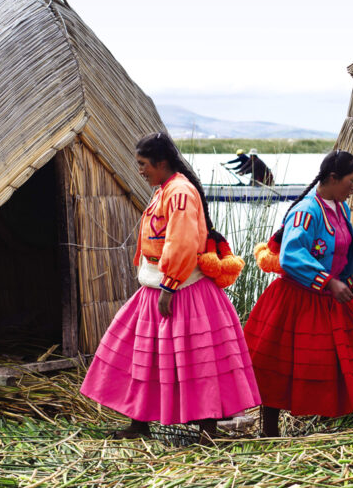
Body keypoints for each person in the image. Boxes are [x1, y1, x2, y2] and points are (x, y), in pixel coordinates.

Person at [80, 132, 261, 443]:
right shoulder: (165, 189)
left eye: (143, 164)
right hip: (157, 286)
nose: (139, 170)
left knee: (194, 358)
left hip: (181, 290)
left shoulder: (179, 193)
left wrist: (170, 286)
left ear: (161, 162)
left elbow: (182, 243)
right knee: (145, 355)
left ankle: (208, 430)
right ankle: (139, 423)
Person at [243, 150, 353, 437]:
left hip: (332, 298)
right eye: (351, 180)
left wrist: (343, 279)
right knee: (278, 360)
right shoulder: (306, 212)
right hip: (297, 298)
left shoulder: (341, 208)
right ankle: (269, 429)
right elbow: (291, 255)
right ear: (333, 178)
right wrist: (329, 281)